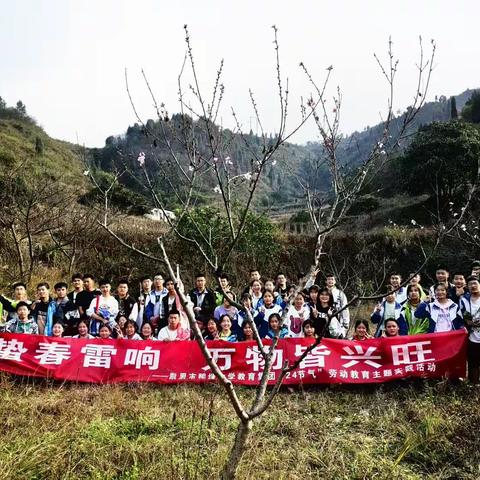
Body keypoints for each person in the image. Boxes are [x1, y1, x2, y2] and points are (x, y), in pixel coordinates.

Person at [460, 276, 480, 384]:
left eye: (475, 283)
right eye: (470, 284)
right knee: (473, 362)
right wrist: (470, 323)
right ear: (467, 287)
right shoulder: (464, 300)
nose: (473, 286)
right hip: (472, 336)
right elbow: (463, 317)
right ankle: (474, 384)